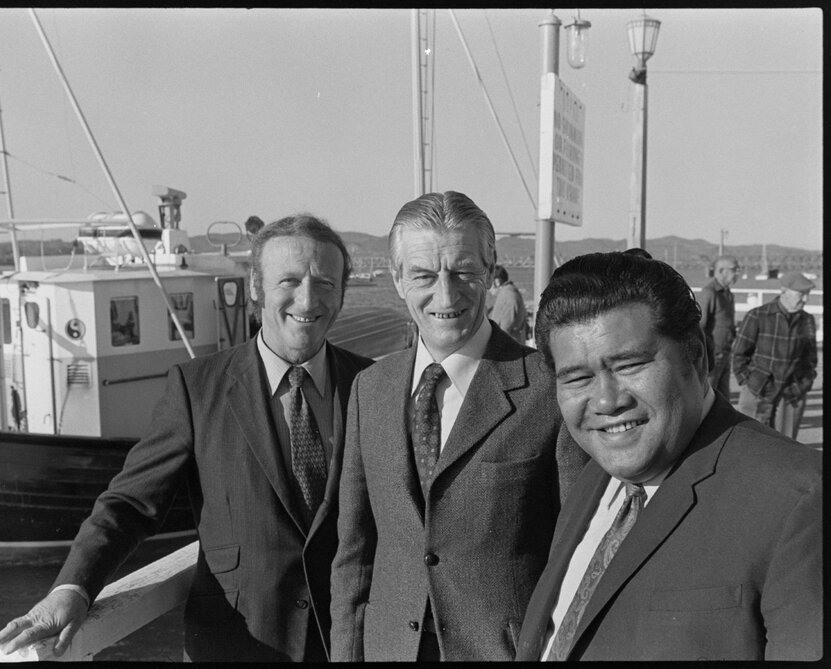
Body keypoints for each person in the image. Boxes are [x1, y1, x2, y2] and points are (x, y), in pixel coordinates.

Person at [0, 215, 373, 662]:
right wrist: (72, 587)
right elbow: (130, 504)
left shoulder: (373, 385)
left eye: (325, 282)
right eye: (289, 280)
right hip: (235, 645)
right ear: (255, 288)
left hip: (352, 643)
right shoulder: (197, 388)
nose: (307, 299)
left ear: (342, 293)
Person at [515, 251, 822, 661]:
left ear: (696, 359)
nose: (606, 400)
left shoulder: (800, 499)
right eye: (578, 378)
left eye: (629, 365)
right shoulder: (596, 477)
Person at [329, 191, 587, 661]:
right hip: (390, 649)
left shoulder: (548, 389)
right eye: (424, 275)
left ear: (490, 271)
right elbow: (355, 552)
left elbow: (577, 551)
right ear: (397, 280)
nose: (445, 294)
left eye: (464, 271)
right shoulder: (371, 389)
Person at [731, 271, 818, 440]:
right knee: (750, 444)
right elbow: (739, 355)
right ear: (784, 292)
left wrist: (801, 386)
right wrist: (749, 383)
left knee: (785, 449)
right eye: (801, 294)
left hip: (791, 395)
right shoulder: (757, 316)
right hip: (758, 392)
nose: (806, 300)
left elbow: (811, 360)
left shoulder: (807, 320)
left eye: (808, 295)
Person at [697, 255, 740, 398]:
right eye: (734, 270)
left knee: (723, 400)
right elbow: (700, 325)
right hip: (713, 356)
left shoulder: (728, 294)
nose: (737, 273)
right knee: (706, 396)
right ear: (721, 271)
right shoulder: (709, 293)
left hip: (726, 353)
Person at [488, 264, 528, 344]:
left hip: (507, 351)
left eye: (489, 282)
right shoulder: (508, 294)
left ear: (497, 282)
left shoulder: (509, 297)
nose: (488, 288)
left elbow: (505, 330)